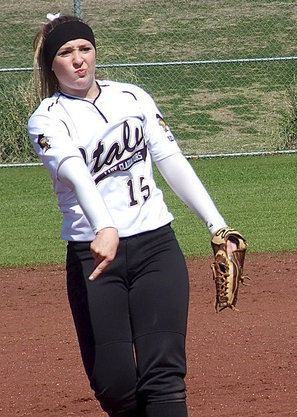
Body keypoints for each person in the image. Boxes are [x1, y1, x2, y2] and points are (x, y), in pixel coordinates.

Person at [28, 15, 244, 416]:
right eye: (66, 52)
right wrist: (104, 226)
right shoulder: (48, 118)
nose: (78, 60)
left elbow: (170, 159)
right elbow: (77, 175)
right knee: (114, 386)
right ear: (51, 64)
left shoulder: (131, 97)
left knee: (164, 377)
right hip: (93, 259)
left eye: (85, 49)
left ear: (95, 53)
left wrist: (218, 224)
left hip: (156, 247)